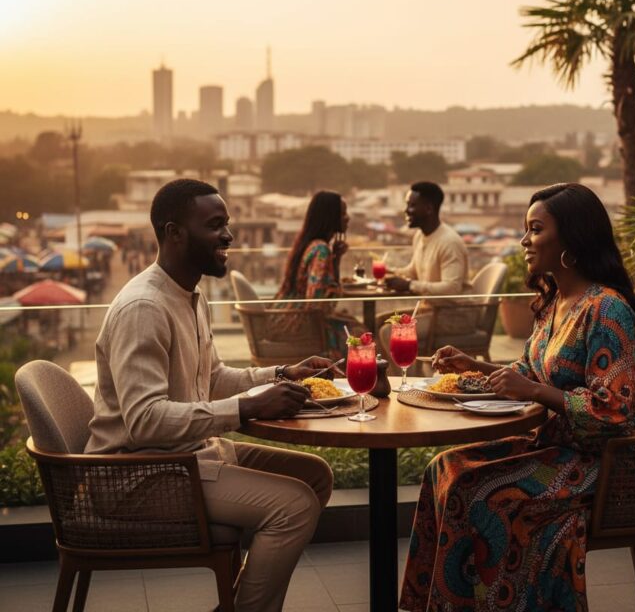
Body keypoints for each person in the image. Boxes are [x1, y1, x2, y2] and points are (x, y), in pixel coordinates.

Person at [400, 183, 635, 612]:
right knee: (444, 466)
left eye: (535, 229)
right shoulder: (557, 301)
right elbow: (528, 372)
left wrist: (535, 391)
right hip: (557, 446)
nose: (524, 240)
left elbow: (612, 410)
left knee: (479, 491)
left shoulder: (606, 308)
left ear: (571, 238)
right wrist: (475, 367)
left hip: (606, 461)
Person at [86, 179, 337, 612]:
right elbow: (145, 421)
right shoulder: (144, 308)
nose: (229, 236)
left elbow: (213, 376)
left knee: (315, 476)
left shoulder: (189, 294)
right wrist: (247, 408)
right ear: (174, 233)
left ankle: (235, 603)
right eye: (215, 225)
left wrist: (279, 373)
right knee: (293, 506)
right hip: (138, 475)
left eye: (227, 223)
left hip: (186, 456)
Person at [378, 181, 474, 358]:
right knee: (379, 321)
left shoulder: (449, 242)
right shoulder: (420, 236)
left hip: (453, 315)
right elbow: (414, 271)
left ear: (429, 208)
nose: (406, 210)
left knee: (389, 332)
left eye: (412, 205)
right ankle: (400, 375)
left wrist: (409, 285)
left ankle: (408, 379)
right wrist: (391, 272)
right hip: (430, 310)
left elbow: (451, 288)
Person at [274, 190, 365, 358]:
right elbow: (316, 304)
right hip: (303, 327)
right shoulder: (321, 250)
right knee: (363, 337)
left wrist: (336, 260)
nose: (348, 217)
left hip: (289, 318)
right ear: (331, 217)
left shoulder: (311, 245)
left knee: (355, 326)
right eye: (343, 213)